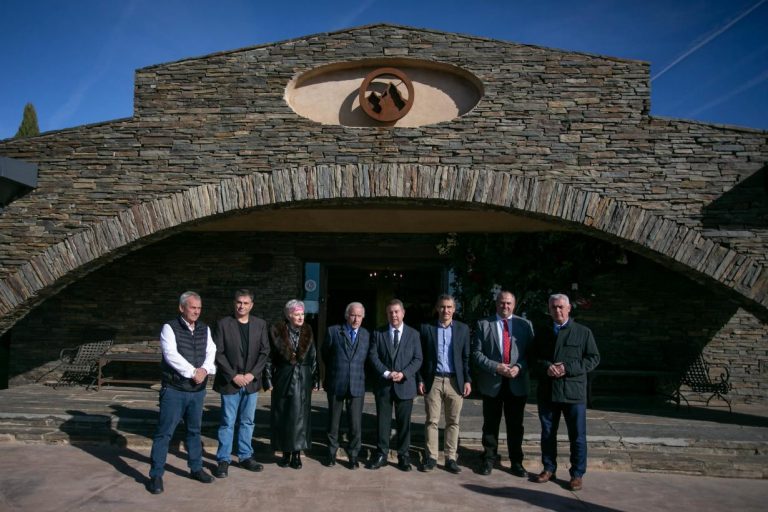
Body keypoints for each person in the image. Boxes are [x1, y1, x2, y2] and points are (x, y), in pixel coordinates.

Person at [148, 291, 217, 495]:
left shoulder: (205, 329)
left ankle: (196, 469)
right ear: (182, 308)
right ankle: (156, 475)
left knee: (194, 431)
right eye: (192, 307)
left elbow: (211, 351)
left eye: (199, 308)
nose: (196, 311)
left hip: (197, 391)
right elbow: (171, 355)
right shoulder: (169, 327)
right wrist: (192, 372)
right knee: (164, 433)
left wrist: (204, 370)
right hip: (174, 390)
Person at [533, 293, 600, 491]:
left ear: (569, 308)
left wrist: (567, 368)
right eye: (554, 307)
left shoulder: (583, 332)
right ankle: (548, 468)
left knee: (577, 435)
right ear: (549, 310)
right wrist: (546, 366)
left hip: (573, 393)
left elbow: (593, 358)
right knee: (547, 433)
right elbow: (532, 357)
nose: (558, 310)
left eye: (561, 307)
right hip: (548, 392)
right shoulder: (542, 332)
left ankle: (577, 474)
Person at [472, 290, 533, 477]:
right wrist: (496, 367)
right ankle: (489, 459)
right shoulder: (484, 324)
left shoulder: (525, 325)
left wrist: (519, 367)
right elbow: (476, 354)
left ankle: (516, 462)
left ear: (514, 305)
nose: (505, 306)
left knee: (516, 425)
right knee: (490, 424)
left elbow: (531, 353)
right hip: (493, 382)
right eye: (501, 303)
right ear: (496, 303)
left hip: (517, 382)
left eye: (508, 303)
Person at [211, 289, 270, 478]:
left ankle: (245, 456)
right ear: (233, 303)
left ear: (251, 305)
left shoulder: (260, 324)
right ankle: (223, 459)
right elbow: (218, 353)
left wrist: (252, 374)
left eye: (245, 303)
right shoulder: (223, 324)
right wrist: (233, 375)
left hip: (251, 383)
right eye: (238, 302)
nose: (241, 306)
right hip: (230, 382)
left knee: (247, 421)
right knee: (227, 422)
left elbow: (264, 352)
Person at [417, 294, 472, 474]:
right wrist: (420, 379)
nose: (445, 311)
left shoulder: (463, 329)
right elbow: (420, 357)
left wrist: (468, 380)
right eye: (442, 307)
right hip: (433, 380)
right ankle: (431, 457)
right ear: (437, 308)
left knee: (453, 421)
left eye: (449, 307)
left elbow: (466, 358)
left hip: (455, 381)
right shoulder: (426, 328)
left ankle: (450, 458)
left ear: (454, 310)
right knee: (431, 421)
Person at [367, 299, 423, 471]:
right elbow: (373, 356)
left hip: (405, 385)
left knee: (404, 423)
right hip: (384, 385)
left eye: (397, 311)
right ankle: (382, 454)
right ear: (387, 314)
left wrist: (404, 373)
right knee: (382, 422)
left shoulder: (414, 334)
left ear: (403, 313)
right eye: (390, 312)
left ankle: (403, 456)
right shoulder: (378, 332)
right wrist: (386, 373)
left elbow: (418, 359)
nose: (394, 315)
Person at [267, 299, 317, 469]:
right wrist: (268, 380)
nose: (300, 317)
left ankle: (297, 454)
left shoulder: (308, 331)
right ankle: (285, 453)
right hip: (283, 377)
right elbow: (269, 358)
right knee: (283, 416)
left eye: (302, 314)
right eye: (297, 314)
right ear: (289, 315)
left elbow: (313, 356)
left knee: (301, 417)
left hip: (303, 377)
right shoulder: (277, 331)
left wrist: (315, 379)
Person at [321, 301, 370, 469]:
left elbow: (368, 360)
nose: (355, 319)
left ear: (363, 317)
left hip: (357, 383)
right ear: (347, 316)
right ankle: (331, 453)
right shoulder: (333, 331)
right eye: (353, 315)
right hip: (337, 381)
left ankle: (353, 455)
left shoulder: (366, 335)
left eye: (359, 316)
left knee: (355, 423)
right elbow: (325, 354)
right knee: (333, 422)